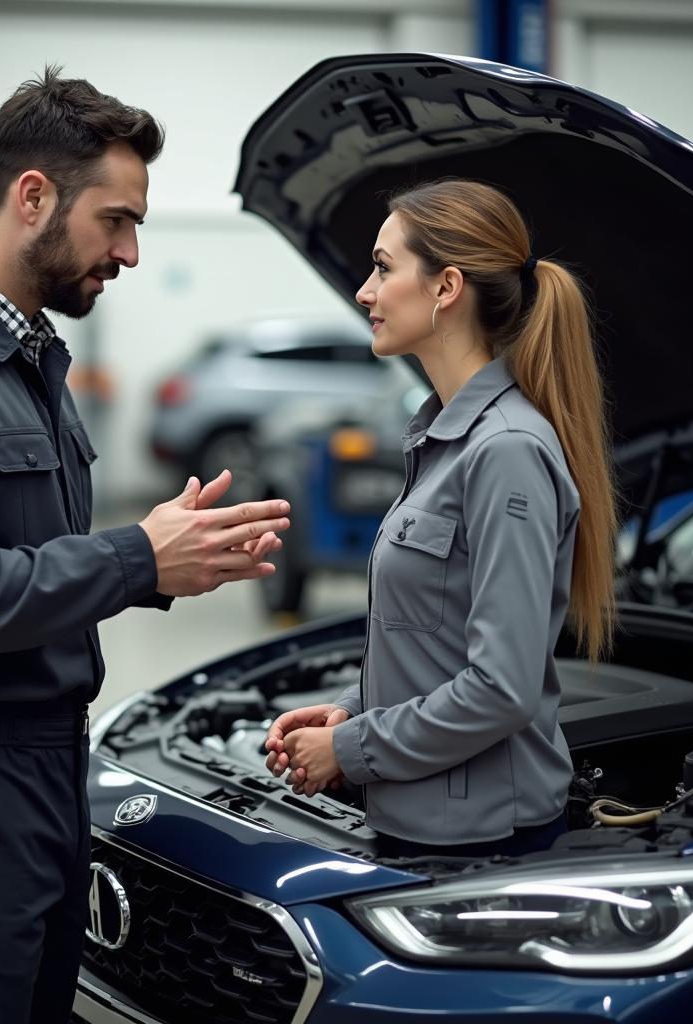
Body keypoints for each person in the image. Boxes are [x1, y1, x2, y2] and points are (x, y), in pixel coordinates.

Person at [0, 68, 290, 1024]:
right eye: (116, 220)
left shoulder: (21, 353)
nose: (133, 252)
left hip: (31, 773)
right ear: (33, 196)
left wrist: (164, 556)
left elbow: (22, 556)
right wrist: (131, 560)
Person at [264, 178, 617, 859]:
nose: (365, 291)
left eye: (383, 267)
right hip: (421, 820)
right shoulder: (442, 439)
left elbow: (501, 690)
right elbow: (434, 639)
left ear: (445, 287)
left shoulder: (506, 451)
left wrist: (348, 748)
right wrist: (352, 708)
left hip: (483, 842)